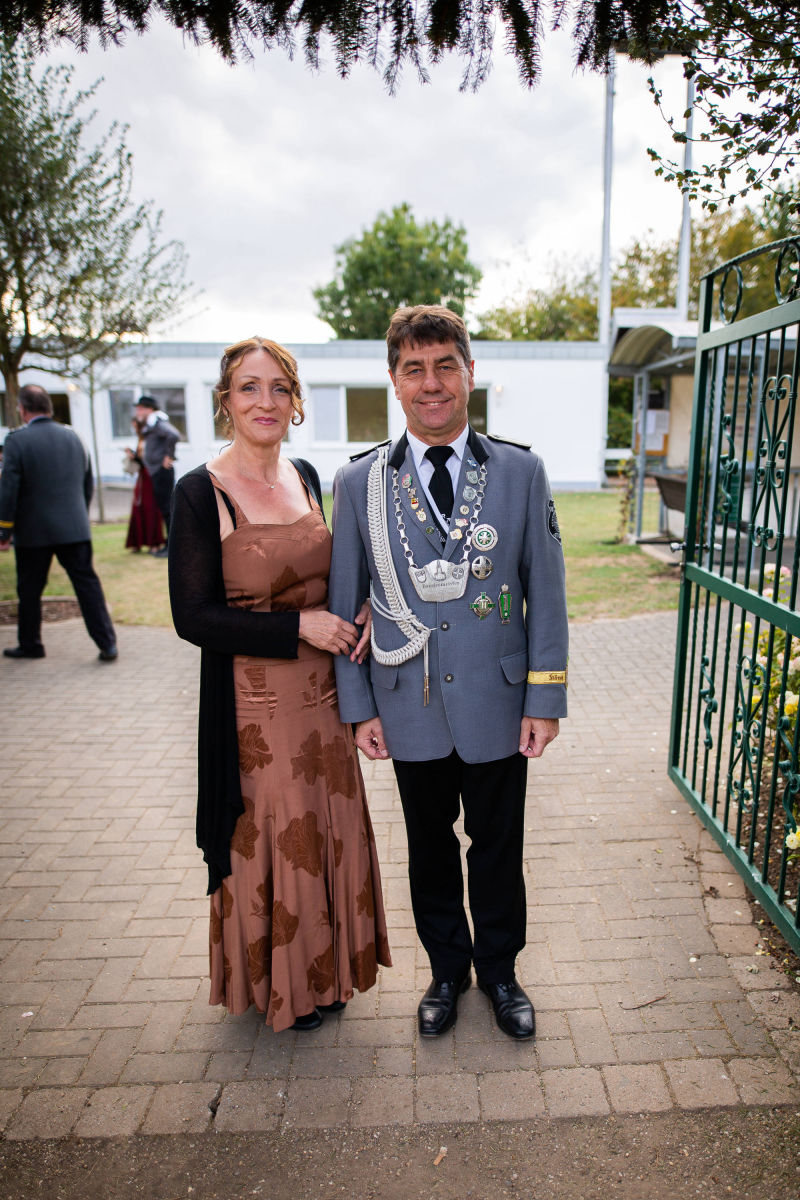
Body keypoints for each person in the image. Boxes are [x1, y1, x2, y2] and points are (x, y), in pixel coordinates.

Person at [329, 305, 568, 1041]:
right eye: (414, 370)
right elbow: (344, 601)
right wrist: (358, 708)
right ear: (394, 381)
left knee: (498, 849)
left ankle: (499, 972)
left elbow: (546, 590)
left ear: (469, 373)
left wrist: (544, 699)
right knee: (429, 851)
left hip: (498, 701)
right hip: (409, 704)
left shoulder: (520, 471)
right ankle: (445, 972)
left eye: (445, 367)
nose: (431, 384)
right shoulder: (361, 481)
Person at [168, 336, 391, 1033]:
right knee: (277, 838)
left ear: (295, 402)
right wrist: (300, 627)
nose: (264, 401)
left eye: (279, 388)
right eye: (249, 387)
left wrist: (356, 607)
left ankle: (329, 973)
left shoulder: (306, 473)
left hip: (326, 703)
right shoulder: (199, 492)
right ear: (226, 401)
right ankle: (281, 987)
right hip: (255, 717)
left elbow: (330, 577)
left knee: (328, 830)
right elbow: (192, 617)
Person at [0, 384, 118, 662]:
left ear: (22, 410)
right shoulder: (74, 437)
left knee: (29, 590)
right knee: (87, 586)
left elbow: (9, 489)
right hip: (74, 528)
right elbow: (87, 482)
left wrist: (4, 529)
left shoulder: (16, 440)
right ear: (49, 408)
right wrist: (78, 515)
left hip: (33, 532)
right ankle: (107, 644)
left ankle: (31, 644)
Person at [133, 395, 180, 556]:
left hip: (162, 471)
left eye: (140, 408)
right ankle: (169, 543)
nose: (137, 412)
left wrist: (169, 456)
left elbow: (174, 435)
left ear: (149, 409)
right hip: (155, 471)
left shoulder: (159, 424)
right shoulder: (151, 426)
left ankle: (172, 546)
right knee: (164, 508)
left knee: (167, 509)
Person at [124, 417, 166, 553]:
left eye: (136, 427)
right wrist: (133, 456)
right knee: (138, 507)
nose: (135, 430)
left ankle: (154, 542)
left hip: (150, 476)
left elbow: (149, 459)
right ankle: (138, 542)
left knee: (151, 508)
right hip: (143, 476)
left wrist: (135, 457)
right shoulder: (141, 439)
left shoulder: (150, 439)